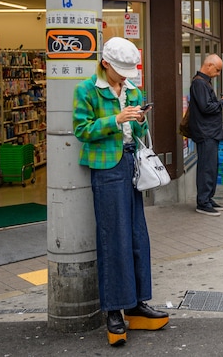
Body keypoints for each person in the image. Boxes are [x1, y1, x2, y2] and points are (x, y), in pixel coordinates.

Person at [73, 37, 169, 347]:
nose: (126, 77)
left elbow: (138, 133)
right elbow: (81, 130)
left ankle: (136, 302)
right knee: (113, 237)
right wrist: (116, 119)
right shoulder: (87, 89)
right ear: (105, 64)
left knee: (137, 234)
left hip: (131, 163)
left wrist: (139, 119)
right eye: (121, 70)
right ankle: (113, 310)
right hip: (106, 168)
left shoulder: (133, 91)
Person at [189, 54, 223, 217]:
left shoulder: (202, 83)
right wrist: (222, 102)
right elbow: (206, 107)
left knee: (211, 167)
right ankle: (203, 202)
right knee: (207, 167)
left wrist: (221, 101)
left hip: (209, 132)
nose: (218, 74)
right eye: (217, 70)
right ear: (208, 65)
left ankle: (208, 198)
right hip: (205, 132)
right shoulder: (199, 83)